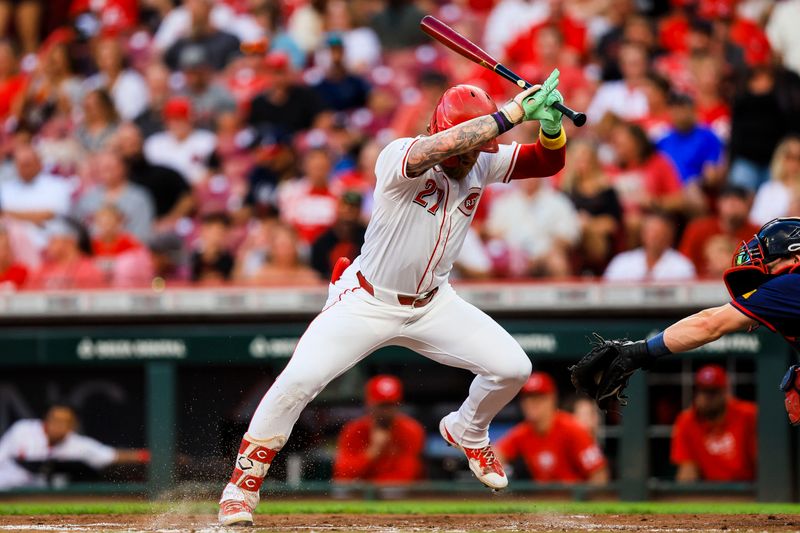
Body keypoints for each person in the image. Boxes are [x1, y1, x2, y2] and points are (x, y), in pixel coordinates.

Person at [218, 70, 568, 526]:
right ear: (443, 128)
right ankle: (241, 488)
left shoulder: (479, 159)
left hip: (434, 303)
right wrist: (512, 112)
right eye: (467, 147)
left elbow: (546, 163)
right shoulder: (399, 154)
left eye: (475, 150)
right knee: (298, 382)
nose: (471, 159)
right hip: (367, 300)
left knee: (513, 368)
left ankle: (468, 428)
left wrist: (550, 126)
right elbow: (442, 149)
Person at [572, 217, 800, 446]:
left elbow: (709, 324)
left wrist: (642, 350)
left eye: (770, 268)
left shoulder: (791, 283)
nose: (766, 283)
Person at [0, 404, 148, 490]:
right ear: (47, 420)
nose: (57, 425)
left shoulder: (78, 444)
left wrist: (146, 456)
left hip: (39, 494)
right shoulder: (22, 430)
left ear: (72, 426)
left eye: (63, 422)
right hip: (6, 485)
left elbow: (111, 455)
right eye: (54, 420)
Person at [496, 372, 608, 484]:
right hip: (545, 499)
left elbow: (599, 474)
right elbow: (496, 454)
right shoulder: (523, 431)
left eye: (538, 398)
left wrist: (589, 499)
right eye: (527, 398)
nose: (531, 403)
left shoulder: (572, 428)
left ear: (551, 399)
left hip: (575, 498)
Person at [670, 365, 757, 482]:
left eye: (712, 392)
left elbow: (764, 462)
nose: (706, 398)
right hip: (710, 493)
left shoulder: (748, 414)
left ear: (725, 392)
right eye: (702, 391)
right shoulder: (687, 421)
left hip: (748, 490)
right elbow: (687, 470)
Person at [332, 375, 425, 483]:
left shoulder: (411, 429)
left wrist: (373, 487)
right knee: (343, 490)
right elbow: (342, 475)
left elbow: (407, 475)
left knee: (392, 492)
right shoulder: (354, 430)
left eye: (390, 405)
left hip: (392, 492)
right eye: (381, 405)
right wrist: (373, 451)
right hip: (360, 491)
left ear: (399, 404)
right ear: (369, 404)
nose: (386, 411)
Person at [73, 151, 155, 243]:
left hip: (128, 252)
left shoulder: (139, 197)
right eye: (102, 167)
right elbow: (78, 230)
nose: (106, 171)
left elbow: (142, 233)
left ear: (124, 168)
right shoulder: (88, 198)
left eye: (111, 167)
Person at [679, 186, 759, 278]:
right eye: (728, 200)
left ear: (748, 205)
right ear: (719, 204)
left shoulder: (757, 233)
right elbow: (683, 264)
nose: (733, 205)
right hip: (701, 285)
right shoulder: (698, 229)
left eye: (739, 200)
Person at [604, 211, 696, 282]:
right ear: (642, 234)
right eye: (650, 231)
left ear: (670, 236)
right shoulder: (622, 262)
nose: (654, 236)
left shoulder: (682, 265)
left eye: (659, 233)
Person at [311, 191, 367, 280]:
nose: (348, 210)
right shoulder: (322, 242)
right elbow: (316, 273)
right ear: (337, 208)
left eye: (354, 207)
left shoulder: (367, 240)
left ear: (359, 210)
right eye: (345, 205)